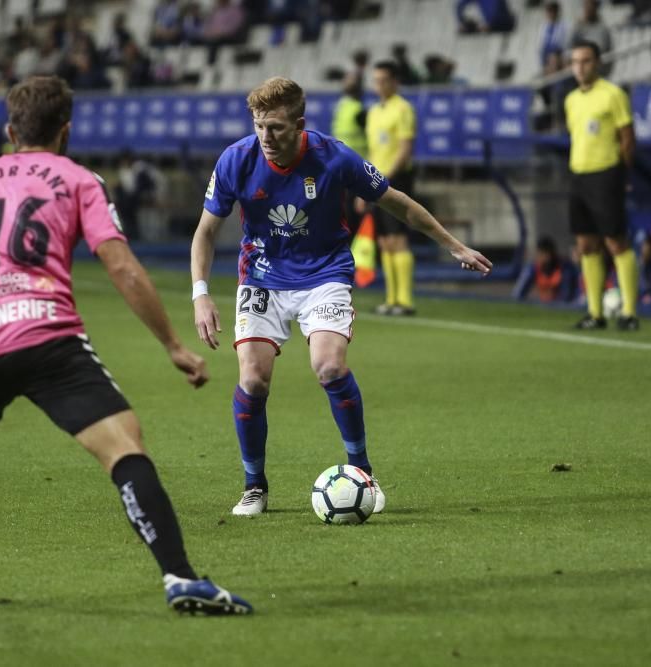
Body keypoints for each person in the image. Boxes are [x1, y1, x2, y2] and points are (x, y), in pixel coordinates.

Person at [0, 76, 252, 616]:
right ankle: (178, 577)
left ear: (10, 130)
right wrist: (172, 343)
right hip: (46, 336)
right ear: (66, 131)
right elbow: (121, 266)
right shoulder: (80, 181)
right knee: (124, 445)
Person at [189, 77, 491, 517]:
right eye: (259, 126)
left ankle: (362, 472)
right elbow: (205, 232)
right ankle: (255, 486)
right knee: (253, 381)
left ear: (300, 123)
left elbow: (399, 203)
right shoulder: (237, 159)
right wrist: (201, 294)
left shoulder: (334, 157)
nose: (266, 138)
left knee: (329, 367)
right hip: (262, 278)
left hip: (324, 274)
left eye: (275, 127)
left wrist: (454, 245)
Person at [564, 41, 639, 330]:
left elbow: (627, 138)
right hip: (579, 175)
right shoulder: (571, 99)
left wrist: (623, 174)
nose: (580, 67)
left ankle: (629, 312)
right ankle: (595, 313)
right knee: (585, 244)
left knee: (616, 240)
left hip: (606, 174)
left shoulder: (613, 94)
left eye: (585, 61)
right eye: (575, 61)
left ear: (597, 63)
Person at [365, 61, 418, 316]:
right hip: (376, 180)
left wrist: (386, 177)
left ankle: (405, 301)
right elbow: (374, 151)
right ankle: (391, 298)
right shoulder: (374, 112)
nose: (379, 85)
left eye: (384, 80)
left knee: (398, 238)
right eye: (376, 80)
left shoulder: (403, 109)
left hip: (396, 179)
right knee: (384, 241)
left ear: (395, 82)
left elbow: (405, 147)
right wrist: (367, 183)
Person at [513, 236, 579, 303]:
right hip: (544, 306)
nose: (545, 257)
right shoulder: (532, 269)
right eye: (541, 254)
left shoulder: (565, 269)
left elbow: (567, 297)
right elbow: (518, 294)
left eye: (547, 254)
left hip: (561, 306)